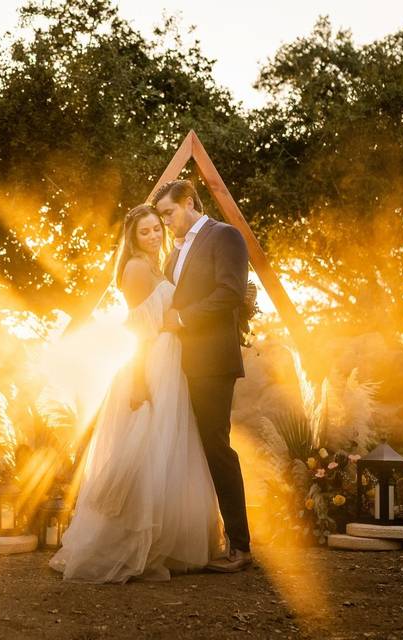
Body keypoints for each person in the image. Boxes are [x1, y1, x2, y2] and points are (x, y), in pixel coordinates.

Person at [49, 204, 221, 583]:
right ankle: (126, 545)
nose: (154, 236)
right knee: (146, 449)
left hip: (171, 363)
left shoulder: (158, 265)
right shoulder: (136, 269)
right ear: (133, 237)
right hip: (151, 363)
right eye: (145, 232)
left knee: (167, 450)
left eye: (157, 229)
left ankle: (163, 541)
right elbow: (138, 331)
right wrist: (141, 378)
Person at [153, 179, 253, 572]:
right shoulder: (172, 253)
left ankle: (241, 547)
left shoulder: (224, 236)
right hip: (179, 363)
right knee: (188, 450)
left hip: (212, 361)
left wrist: (183, 318)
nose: (165, 223)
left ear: (189, 202)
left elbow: (230, 292)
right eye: (161, 217)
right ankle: (196, 539)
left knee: (216, 447)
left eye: (168, 213)